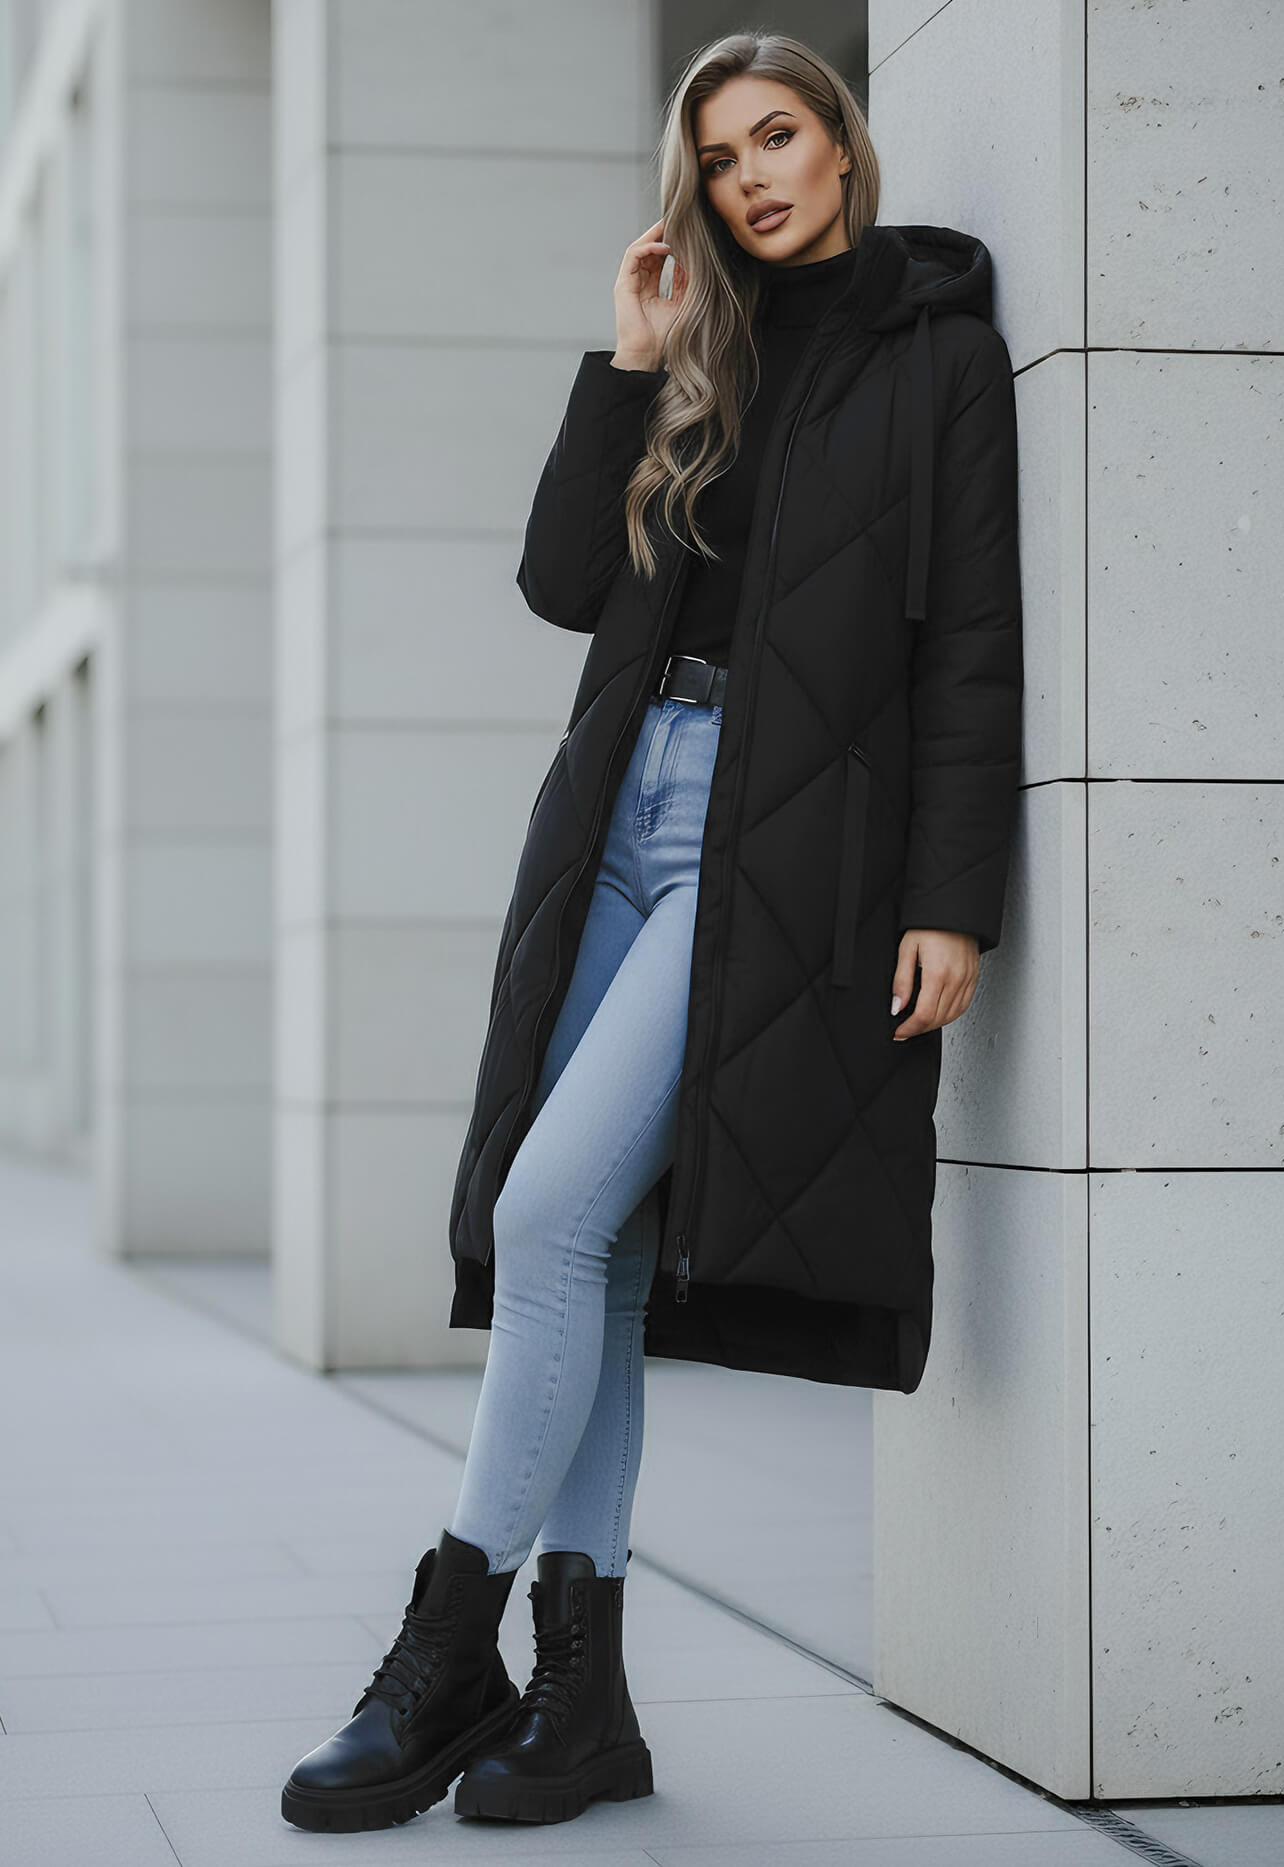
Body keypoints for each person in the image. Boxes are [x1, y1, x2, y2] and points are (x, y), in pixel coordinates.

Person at [282, 27, 1023, 1837]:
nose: (750, 178)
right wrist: (627, 362)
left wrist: (951, 898)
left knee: (546, 1212)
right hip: (618, 816)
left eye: (777, 137)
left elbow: (971, 645)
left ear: (842, 143)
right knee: (590, 1250)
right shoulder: (706, 346)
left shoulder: (938, 350)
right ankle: (584, 1703)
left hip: (771, 843)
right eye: (718, 158)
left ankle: (445, 1648)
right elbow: (561, 584)